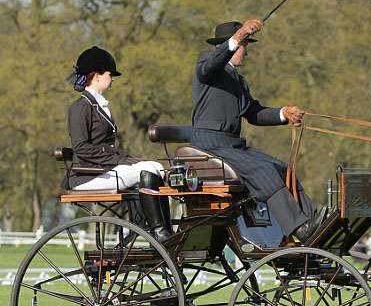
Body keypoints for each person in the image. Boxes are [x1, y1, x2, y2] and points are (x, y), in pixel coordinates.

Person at [189, 19, 325, 243]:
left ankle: (312, 220)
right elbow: (211, 64)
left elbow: (254, 114)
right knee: (263, 170)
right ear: (234, 43)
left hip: (231, 145)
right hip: (209, 145)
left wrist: (284, 113)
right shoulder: (207, 64)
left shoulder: (239, 81)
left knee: (281, 167)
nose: (247, 53)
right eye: (246, 46)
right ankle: (299, 228)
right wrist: (239, 35)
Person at [65, 46, 172, 242]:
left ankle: (158, 227)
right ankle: (158, 232)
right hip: (86, 176)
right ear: (96, 76)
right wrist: (120, 160)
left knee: (156, 167)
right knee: (146, 170)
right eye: (109, 74)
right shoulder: (80, 107)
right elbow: (81, 148)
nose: (112, 78)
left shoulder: (100, 106)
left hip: (103, 170)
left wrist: (124, 159)